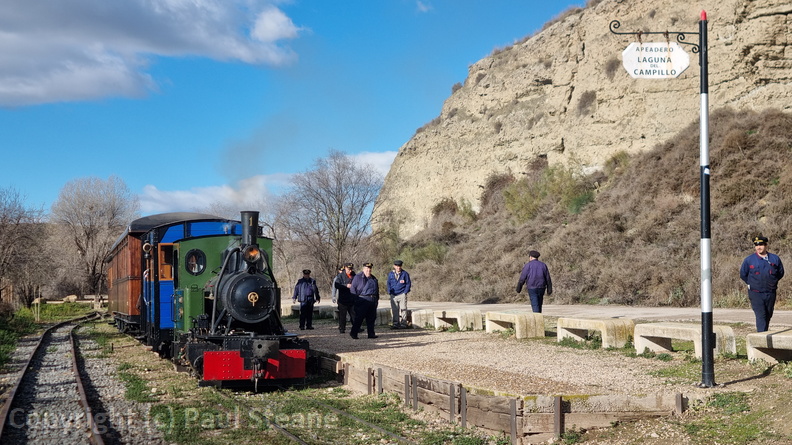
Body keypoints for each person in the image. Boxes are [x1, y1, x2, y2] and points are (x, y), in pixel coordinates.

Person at [740, 236, 785, 332]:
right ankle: (762, 338)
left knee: (768, 314)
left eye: (761, 245)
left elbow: (780, 273)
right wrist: (752, 284)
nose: (758, 247)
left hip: (770, 292)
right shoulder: (749, 260)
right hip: (756, 293)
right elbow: (743, 274)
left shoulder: (774, 259)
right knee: (761, 315)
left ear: (766, 245)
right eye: (756, 245)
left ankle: (764, 333)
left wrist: (773, 281)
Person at [350, 262, 379, 339]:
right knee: (359, 318)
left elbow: (377, 291)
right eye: (367, 269)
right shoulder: (358, 277)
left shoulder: (374, 278)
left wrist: (376, 301)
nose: (368, 270)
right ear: (363, 269)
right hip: (362, 300)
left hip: (372, 300)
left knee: (371, 318)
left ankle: (371, 334)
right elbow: (353, 289)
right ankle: (354, 333)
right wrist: (356, 300)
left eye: (369, 269)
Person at [387, 260, 412, 328]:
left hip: (402, 294)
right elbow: (388, 283)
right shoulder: (391, 274)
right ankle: (396, 323)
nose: (398, 267)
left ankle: (403, 323)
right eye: (397, 266)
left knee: (403, 309)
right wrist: (389, 291)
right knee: (395, 309)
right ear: (394, 266)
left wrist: (405, 292)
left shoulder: (405, 274)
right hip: (393, 295)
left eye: (399, 266)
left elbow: (408, 283)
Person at [333, 263, 357, 334]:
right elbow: (336, 285)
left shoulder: (354, 276)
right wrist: (346, 285)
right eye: (349, 269)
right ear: (345, 268)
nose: (350, 271)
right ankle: (342, 328)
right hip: (343, 300)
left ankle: (356, 327)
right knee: (342, 315)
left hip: (352, 299)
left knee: (354, 314)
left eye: (351, 269)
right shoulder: (340, 276)